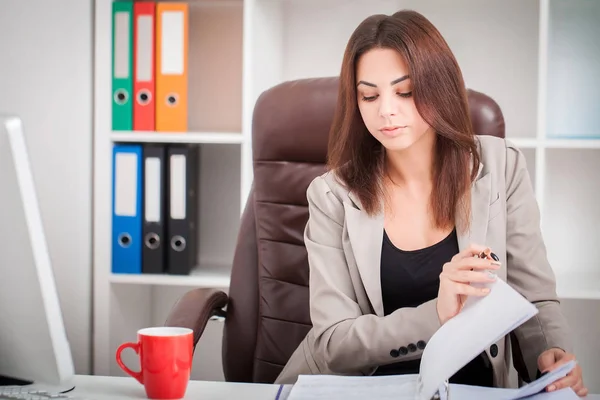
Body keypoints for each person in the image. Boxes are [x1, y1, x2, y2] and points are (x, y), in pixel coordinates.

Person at [274, 9, 587, 397]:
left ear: (438, 86)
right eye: (369, 95)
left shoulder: (500, 166)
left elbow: (534, 297)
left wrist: (551, 353)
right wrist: (436, 315)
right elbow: (334, 343)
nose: (386, 109)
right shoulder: (332, 195)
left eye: (404, 92)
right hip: (369, 391)